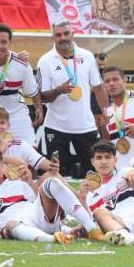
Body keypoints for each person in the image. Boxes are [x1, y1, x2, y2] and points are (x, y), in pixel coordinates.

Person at [0, 147, 97, 242]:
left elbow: (40, 201)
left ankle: (92, 228)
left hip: (39, 218)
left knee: (51, 182)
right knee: (11, 224)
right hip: (19, 228)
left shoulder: (18, 182)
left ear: (2, 165)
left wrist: (29, 182)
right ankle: (58, 237)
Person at [36, 20, 107, 178]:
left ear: (73, 34)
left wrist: (107, 113)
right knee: (57, 173)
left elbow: (98, 88)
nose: (63, 38)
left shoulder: (87, 56)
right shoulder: (45, 60)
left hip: (85, 126)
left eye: (66, 33)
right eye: (58, 35)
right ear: (53, 38)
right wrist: (58, 91)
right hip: (56, 127)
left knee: (94, 172)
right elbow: (42, 96)